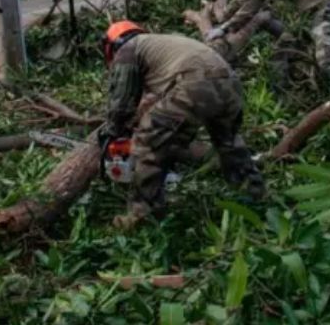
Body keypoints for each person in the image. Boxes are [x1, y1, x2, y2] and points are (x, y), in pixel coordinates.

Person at [97, 22, 262, 228]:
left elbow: (121, 101)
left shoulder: (128, 50)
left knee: (148, 144)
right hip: (230, 83)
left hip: (194, 85)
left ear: (111, 44)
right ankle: (254, 194)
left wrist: (113, 130)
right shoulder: (161, 43)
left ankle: (141, 216)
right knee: (229, 143)